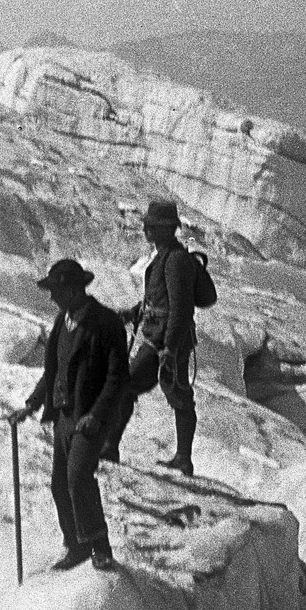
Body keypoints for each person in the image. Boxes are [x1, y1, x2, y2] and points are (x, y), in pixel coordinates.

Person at [10, 258, 128, 572]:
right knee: (59, 484)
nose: (52, 298)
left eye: (57, 291)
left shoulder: (105, 323)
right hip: (64, 415)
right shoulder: (63, 321)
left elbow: (117, 377)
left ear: (74, 290)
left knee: (78, 477)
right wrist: (31, 405)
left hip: (91, 417)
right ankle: (76, 545)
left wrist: (97, 414)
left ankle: (100, 546)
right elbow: (54, 372)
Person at [102, 199, 201, 474]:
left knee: (167, 392)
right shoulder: (165, 256)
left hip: (167, 341)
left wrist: (169, 347)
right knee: (156, 390)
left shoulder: (176, 261)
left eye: (152, 225)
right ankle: (113, 446)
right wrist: (133, 312)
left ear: (167, 229)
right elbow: (158, 299)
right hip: (160, 337)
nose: (146, 229)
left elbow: (180, 308)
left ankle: (113, 447)